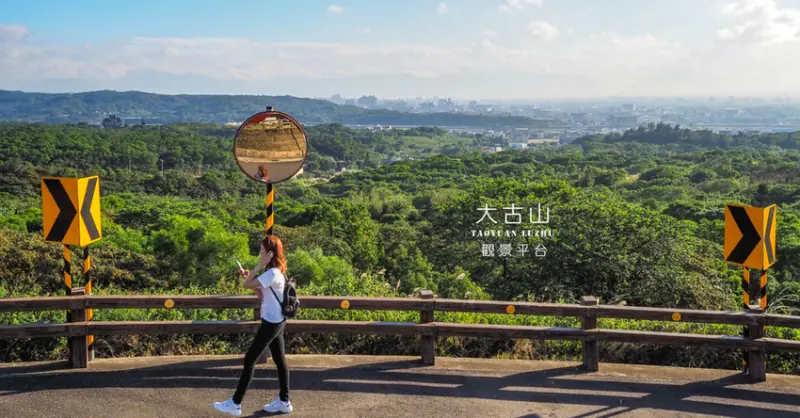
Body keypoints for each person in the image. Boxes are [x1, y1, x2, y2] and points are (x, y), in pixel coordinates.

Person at [213, 235, 293, 416]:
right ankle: (284, 401)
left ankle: (235, 403)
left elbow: (245, 285)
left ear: (269, 252)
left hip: (271, 323)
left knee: (250, 359)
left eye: (262, 249)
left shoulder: (272, 273)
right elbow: (262, 294)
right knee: (280, 361)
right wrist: (251, 276)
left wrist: (257, 267)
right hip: (277, 320)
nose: (260, 252)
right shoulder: (276, 271)